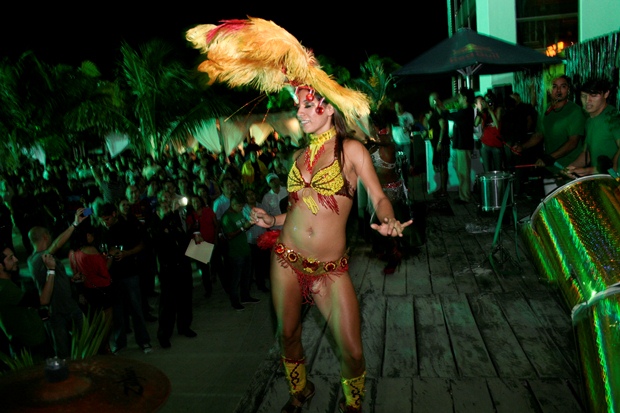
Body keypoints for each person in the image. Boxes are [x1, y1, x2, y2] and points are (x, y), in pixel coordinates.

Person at [187, 18, 411, 412]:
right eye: (299, 105)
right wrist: (271, 222)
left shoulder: (351, 151)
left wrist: (388, 219)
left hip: (330, 269)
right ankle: (299, 391)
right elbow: (298, 209)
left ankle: (353, 405)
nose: (301, 111)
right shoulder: (296, 157)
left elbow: (378, 197)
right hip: (287, 259)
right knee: (288, 335)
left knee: (353, 351)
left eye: (308, 105)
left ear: (327, 108)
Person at [27, 208, 87, 359]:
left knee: (86, 341)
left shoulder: (40, 259)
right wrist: (74, 224)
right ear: (46, 236)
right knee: (63, 352)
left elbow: (53, 274)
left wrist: (70, 280)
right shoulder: (36, 259)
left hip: (70, 305)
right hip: (57, 312)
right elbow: (56, 245)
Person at [98, 202, 153, 354]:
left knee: (136, 308)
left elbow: (141, 245)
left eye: (107, 219)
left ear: (114, 214)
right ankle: (120, 343)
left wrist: (126, 253)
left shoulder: (127, 226)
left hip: (130, 274)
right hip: (112, 277)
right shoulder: (103, 230)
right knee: (117, 312)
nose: (105, 222)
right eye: (102, 219)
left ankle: (143, 341)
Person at [513, 75, 586, 178]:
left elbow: (573, 142)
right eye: (554, 86)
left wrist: (548, 158)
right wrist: (522, 147)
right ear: (549, 90)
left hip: (570, 168)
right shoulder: (546, 108)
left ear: (568, 89)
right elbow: (539, 135)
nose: (558, 90)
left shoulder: (575, 111)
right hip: (550, 167)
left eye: (563, 86)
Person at [366, 107, 409, 274]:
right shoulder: (376, 141)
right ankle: (390, 251)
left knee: (386, 223)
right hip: (380, 191)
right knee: (378, 223)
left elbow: (381, 143)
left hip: (390, 191)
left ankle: (394, 255)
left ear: (376, 127)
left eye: (370, 125)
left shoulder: (386, 141)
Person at [150, 202, 197, 349]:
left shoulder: (176, 223)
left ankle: (184, 327)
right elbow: (157, 240)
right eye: (164, 207)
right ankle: (164, 334)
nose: (169, 209)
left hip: (183, 266)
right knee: (168, 304)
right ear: (157, 211)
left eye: (168, 207)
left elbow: (184, 241)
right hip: (168, 270)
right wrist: (169, 215)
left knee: (185, 299)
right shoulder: (157, 226)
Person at [0, 244, 52, 362]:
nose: (16, 260)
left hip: (26, 342)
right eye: (10, 258)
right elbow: (44, 300)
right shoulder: (5, 288)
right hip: (31, 346)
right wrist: (51, 271)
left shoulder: (6, 284)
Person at [68, 223, 114, 354]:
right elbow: (104, 271)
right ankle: (103, 348)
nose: (93, 236)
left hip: (87, 289)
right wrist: (110, 256)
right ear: (86, 235)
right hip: (102, 288)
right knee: (107, 323)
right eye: (91, 234)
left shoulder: (72, 253)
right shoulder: (91, 251)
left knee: (95, 321)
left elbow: (75, 273)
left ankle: (101, 347)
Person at [564, 78, 620, 178]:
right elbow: (587, 153)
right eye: (583, 96)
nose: (587, 100)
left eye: (593, 96)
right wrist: (569, 168)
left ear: (606, 94)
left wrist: (590, 170)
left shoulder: (614, 118)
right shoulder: (589, 121)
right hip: (601, 182)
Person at [438, 88, 476, 204]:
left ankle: (465, 197)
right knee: (461, 171)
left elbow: (448, 115)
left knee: (464, 172)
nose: (458, 99)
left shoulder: (466, 111)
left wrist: (442, 105)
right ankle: (463, 195)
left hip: (464, 146)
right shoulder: (465, 111)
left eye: (459, 97)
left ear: (465, 98)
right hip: (461, 145)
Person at [186, 195, 219, 298]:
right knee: (204, 270)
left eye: (197, 201)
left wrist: (216, 239)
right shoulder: (190, 215)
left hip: (211, 241)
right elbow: (188, 230)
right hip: (198, 244)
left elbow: (216, 224)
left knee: (217, 265)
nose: (196, 203)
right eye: (193, 201)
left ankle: (226, 286)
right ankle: (208, 289)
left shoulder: (208, 210)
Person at [427, 92, 450, 197]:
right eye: (430, 100)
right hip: (435, 143)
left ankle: (444, 190)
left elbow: (443, 126)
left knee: (443, 166)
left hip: (441, 144)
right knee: (439, 166)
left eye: (432, 99)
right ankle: (441, 188)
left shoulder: (440, 111)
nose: (431, 102)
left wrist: (440, 142)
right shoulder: (434, 112)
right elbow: (431, 128)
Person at [477, 91, 506, 172]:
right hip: (485, 145)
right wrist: (481, 111)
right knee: (487, 171)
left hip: (496, 145)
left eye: (490, 100)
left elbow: (497, 126)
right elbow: (475, 123)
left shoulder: (498, 109)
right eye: (486, 101)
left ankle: (498, 185)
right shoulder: (484, 112)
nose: (488, 103)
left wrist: (490, 111)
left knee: (498, 170)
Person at [393, 102, 415, 174]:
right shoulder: (393, 117)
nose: (398, 108)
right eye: (396, 107)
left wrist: (412, 137)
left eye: (399, 106)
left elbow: (412, 129)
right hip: (396, 143)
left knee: (406, 161)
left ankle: (407, 178)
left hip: (406, 142)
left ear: (402, 106)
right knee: (397, 162)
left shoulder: (408, 115)